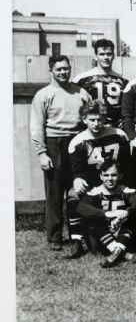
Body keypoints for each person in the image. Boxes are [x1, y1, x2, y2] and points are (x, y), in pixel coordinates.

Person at [30, 55, 92, 250]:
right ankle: (54, 238)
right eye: (59, 69)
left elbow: (91, 117)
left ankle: (79, 235)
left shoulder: (81, 92)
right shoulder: (43, 94)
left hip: (77, 142)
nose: (63, 72)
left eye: (66, 69)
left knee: (79, 190)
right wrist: (42, 153)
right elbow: (36, 126)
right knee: (55, 193)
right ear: (51, 70)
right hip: (54, 143)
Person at [65, 100, 131, 258]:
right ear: (84, 119)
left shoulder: (119, 135)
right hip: (93, 184)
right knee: (72, 195)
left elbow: (128, 166)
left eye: (99, 119)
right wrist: (77, 179)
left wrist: (126, 185)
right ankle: (77, 240)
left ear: (105, 118)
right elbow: (77, 170)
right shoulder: (77, 141)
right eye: (92, 119)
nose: (96, 123)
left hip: (115, 182)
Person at [76, 160, 136, 268]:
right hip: (103, 237)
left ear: (120, 176)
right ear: (101, 176)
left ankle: (116, 252)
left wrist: (125, 213)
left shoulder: (126, 191)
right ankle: (121, 252)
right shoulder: (95, 192)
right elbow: (81, 207)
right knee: (91, 219)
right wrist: (107, 214)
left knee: (135, 217)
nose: (109, 179)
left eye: (113, 175)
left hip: (122, 234)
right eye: (106, 175)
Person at [73, 38, 128, 128]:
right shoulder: (81, 79)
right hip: (92, 127)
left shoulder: (123, 80)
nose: (105, 58)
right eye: (102, 54)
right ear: (95, 56)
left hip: (115, 128)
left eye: (109, 54)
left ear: (113, 55)